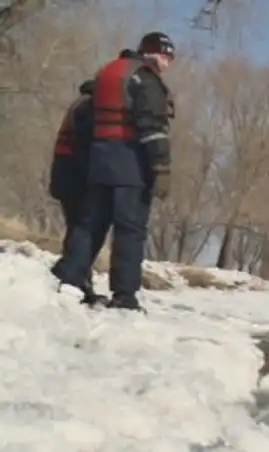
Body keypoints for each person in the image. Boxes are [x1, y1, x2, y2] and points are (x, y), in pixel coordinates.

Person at [50, 31, 176, 311]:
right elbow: (153, 128)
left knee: (90, 225)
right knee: (130, 231)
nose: (168, 63)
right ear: (155, 54)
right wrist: (161, 170)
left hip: (100, 164)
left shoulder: (109, 73)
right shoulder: (145, 78)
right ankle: (124, 295)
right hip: (131, 167)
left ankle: (69, 280)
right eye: (167, 56)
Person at [49, 80, 107, 305]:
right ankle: (71, 276)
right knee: (85, 230)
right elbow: (86, 144)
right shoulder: (87, 107)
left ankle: (80, 279)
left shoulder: (78, 104)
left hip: (66, 175)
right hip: (76, 178)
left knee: (78, 230)